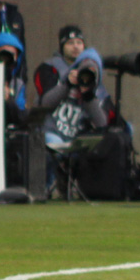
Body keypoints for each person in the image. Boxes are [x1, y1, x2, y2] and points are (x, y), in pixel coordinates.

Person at [32, 25, 114, 195]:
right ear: (61, 46)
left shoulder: (94, 79)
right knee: (49, 142)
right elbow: (44, 103)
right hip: (52, 130)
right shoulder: (49, 68)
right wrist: (67, 84)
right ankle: (45, 187)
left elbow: (102, 122)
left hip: (78, 136)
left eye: (79, 42)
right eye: (70, 43)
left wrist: (88, 95)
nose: (75, 46)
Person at [0, 31, 26, 125]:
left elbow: (21, 118)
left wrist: (9, 100)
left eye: (12, 55)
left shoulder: (18, 84)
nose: (6, 60)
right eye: (3, 55)